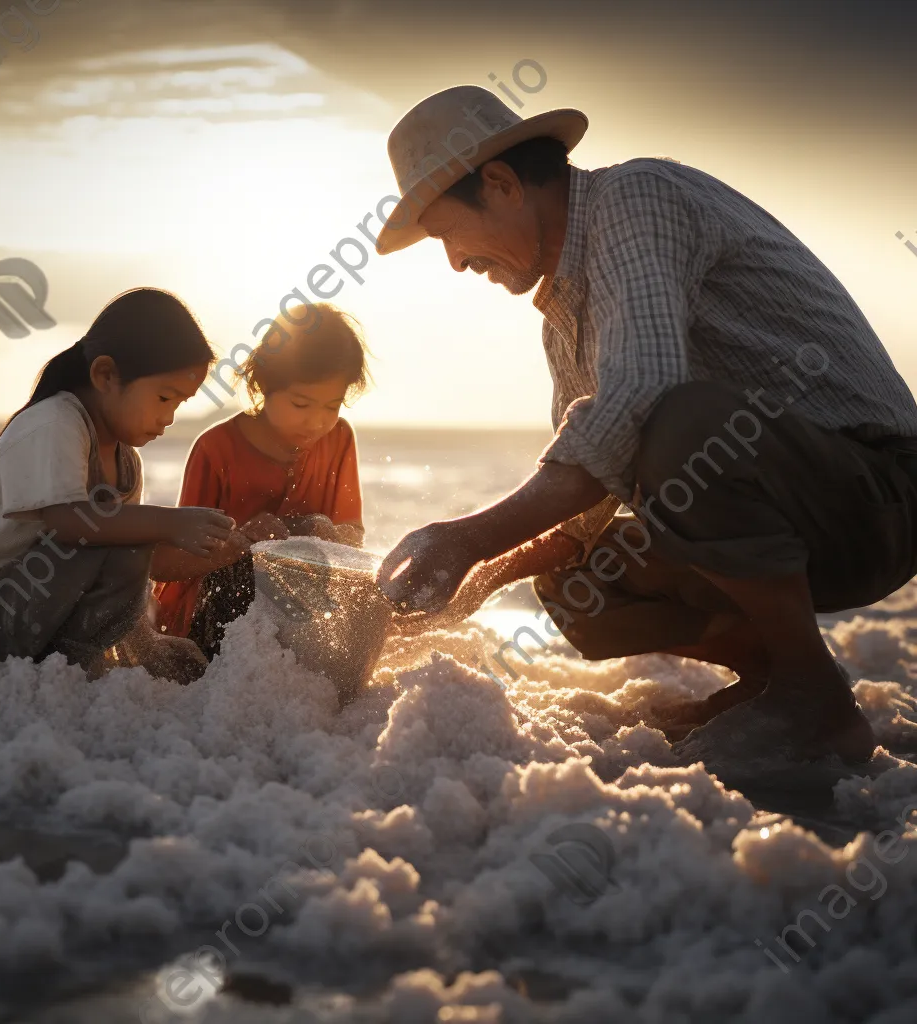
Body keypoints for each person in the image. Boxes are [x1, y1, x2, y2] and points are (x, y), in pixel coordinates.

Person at [372, 85, 917, 769]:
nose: (454, 262)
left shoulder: (639, 200)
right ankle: (775, 677)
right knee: (575, 569)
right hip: (794, 510)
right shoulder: (564, 315)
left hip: (880, 494)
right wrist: (480, 574)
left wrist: (463, 536)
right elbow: (589, 501)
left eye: (449, 234)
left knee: (681, 424)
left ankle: (816, 702)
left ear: (504, 185)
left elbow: (644, 391)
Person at [0, 287, 235, 683]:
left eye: (179, 404)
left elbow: (144, 563)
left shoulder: (126, 463)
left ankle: (76, 663)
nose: (169, 417)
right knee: (114, 533)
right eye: (163, 398)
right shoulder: (54, 421)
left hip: (36, 617)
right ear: (106, 375)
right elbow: (68, 524)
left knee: (128, 539)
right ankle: (74, 667)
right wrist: (169, 522)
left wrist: (215, 552)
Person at [151, 302, 369, 659]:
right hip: (221, 617)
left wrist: (318, 529)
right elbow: (176, 566)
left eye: (332, 405)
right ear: (262, 384)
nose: (317, 421)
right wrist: (240, 542)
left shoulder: (339, 438)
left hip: (306, 605)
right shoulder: (216, 450)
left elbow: (351, 537)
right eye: (301, 404)